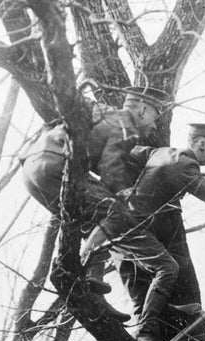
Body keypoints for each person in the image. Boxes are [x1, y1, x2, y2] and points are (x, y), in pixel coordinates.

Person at [81, 123, 205, 341]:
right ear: (202, 144)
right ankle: (146, 331)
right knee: (168, 268)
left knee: (146, 282)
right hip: (131, 228)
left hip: (118, 224)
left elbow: (125, 155)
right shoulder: (186, 164)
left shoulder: (161, 153)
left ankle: (149, 333)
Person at [20, 87, 169, 300]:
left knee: (89, 220)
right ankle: (87, 269)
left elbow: (99, 157)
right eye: (155, 117)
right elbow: (110, 168)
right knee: (116, 212)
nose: (155, 125)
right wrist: (123, 195)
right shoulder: (127, 125)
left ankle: (91, 284)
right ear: (143, 110)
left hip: (32, 171)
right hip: (56, 165)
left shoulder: (105, 113)